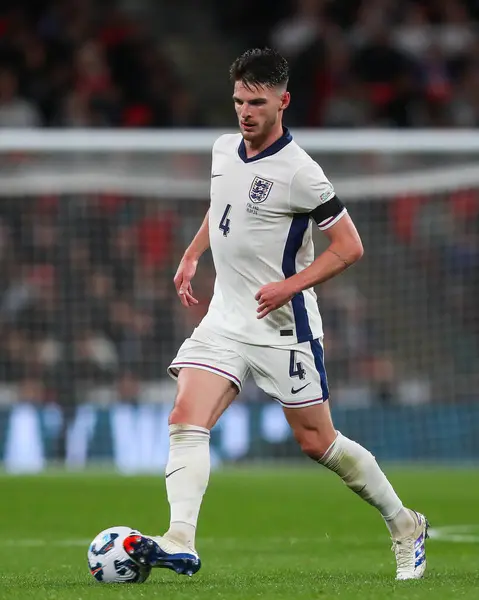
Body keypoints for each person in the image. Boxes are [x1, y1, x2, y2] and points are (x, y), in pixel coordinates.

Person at [123, 48, 428, 581]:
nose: (245, 112)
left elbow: (350, 246)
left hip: (283, 328)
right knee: (184, 420)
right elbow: (223, 206)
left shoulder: (300, 172)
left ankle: (404, 524)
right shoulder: (223, 149)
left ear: (283, 101)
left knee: (318, 443)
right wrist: (194, 253)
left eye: (257, 102)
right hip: (224, 319)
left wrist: (291, 284)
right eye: (239, 100)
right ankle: (180, 538)